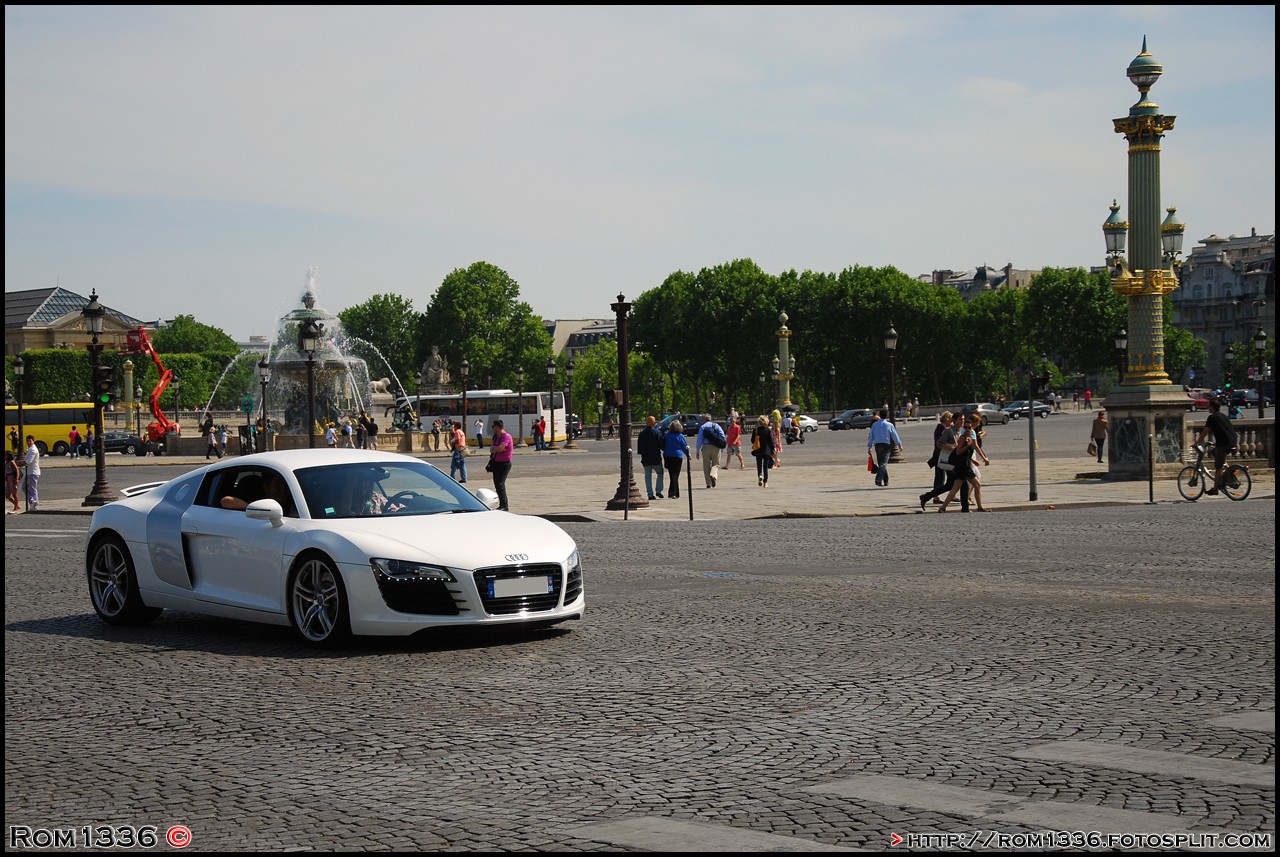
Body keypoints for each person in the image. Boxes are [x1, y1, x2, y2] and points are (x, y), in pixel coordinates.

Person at [940, 413, 990, 512]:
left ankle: (979, 507)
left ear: (972, 428)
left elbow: (973, 449)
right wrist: (968, 445)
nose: (967, 429)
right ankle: (943, 507)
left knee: (974, 485)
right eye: (966, 427)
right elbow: (958, 452)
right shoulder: (962, 438)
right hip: (962, 467)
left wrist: (979, 458)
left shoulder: (969, 438)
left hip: (966, 466)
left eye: (969, 427)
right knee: (956, 488)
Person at [919, 412, 969, 512]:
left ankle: (926, 496)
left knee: (950, 485)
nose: (962, 421)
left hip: (955, 462)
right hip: (950, 462)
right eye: (960, 419)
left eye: (963, 419)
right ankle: (965, 508)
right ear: (954, 420)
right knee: (963, 484)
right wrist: (952, 448)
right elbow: (939, 443)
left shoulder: (960, 431)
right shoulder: (948, 431)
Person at [1196, 398, 1238, 495]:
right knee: (1213, 452)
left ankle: (1215, 489)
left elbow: (1205, 432)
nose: (1208, 408)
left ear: (1212, 407)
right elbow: (1225, 430)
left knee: (1218, 467)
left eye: (1209, 406)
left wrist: (1197, 443)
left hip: (1223, 444)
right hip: (1232, 441)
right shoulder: (1223, 416)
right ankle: (1227, 472)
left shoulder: (1212, 417)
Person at [866, 408, 903, 487]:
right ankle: (878, 479)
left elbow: (871, 436)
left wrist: (869, 446)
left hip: (878, 445)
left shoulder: (874, 425)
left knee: (881, 463)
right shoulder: (889, 425)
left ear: (879, 415)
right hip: (886, 445)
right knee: (883, 464)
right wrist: (899, 444)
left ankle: (886, 480)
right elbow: (894, 435)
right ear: (886, 416)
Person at [924, 411, 953, 504]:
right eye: (951, 419)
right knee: (940, 476)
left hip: (940, 454)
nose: (952, 422)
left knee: (943, 476)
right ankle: (936, 496)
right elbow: (940, 442)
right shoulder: (942, 427)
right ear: (947, 419)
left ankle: (949, 494)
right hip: (941, 455)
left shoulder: (941, 427)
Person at [637, 415, 665, 500]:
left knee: (648, 476)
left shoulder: (642, 433)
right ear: (654, 423)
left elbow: (639, 448)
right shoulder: (657, 432)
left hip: (646, 458)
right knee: (660, 473)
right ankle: (658, 490)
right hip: (656, 457)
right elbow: (661, 445)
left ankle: (650, 494)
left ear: (646, 423)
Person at [487, 419, 514, 511]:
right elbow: (493, 449)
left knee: (500, 483)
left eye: (493, 426)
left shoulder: (506, 436)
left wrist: (495, 449)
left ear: (497, 427)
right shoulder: (496, 437)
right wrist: (495, 449)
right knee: (497, 484)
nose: (492, 429)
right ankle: (502, 504)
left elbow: (501, 448)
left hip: (504, 464)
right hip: (496, 463)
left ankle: (504, 505)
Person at [695, 414, 725, 488]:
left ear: (705, 419)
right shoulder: (716, 426)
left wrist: (697, 450)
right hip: (716, 447)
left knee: (706, 466)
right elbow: (722, 435)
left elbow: (700, 440)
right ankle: (713, 475)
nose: (701, 421)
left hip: (706, 447)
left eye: (702, 419)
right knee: (716, 464)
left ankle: (708, 484)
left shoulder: (702, 427)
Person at [662, 419, 688, 499]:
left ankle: (675, 492)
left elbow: (663, 445)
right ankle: (673, 493)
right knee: (675, 475)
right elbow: (684, 446)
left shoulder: (666, 435)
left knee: (672, 475)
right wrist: (688, 455)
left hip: (668, 456)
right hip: (677, 456)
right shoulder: (680, 436)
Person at [751, 415, 776, 487]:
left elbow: (752, 440)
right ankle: (765, 482)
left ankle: (760, 475)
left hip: (758, 450)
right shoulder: (768, 430)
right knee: (765, 466)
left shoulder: (756, 430)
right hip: (766, 450)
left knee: (759, 465)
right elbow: (771, 441)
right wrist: (773, 449)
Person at [23, 434, 40, 511]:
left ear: (33, 441)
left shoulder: (33, 449)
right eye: (27, 441)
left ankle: (35, 504)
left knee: (32, 489)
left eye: (30, 441)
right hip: (30, 471)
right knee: (25, 487)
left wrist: (20, 463)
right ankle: (33, 501)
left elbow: (29, 462)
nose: (29, 442)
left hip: (33, 471)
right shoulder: (29, 448)